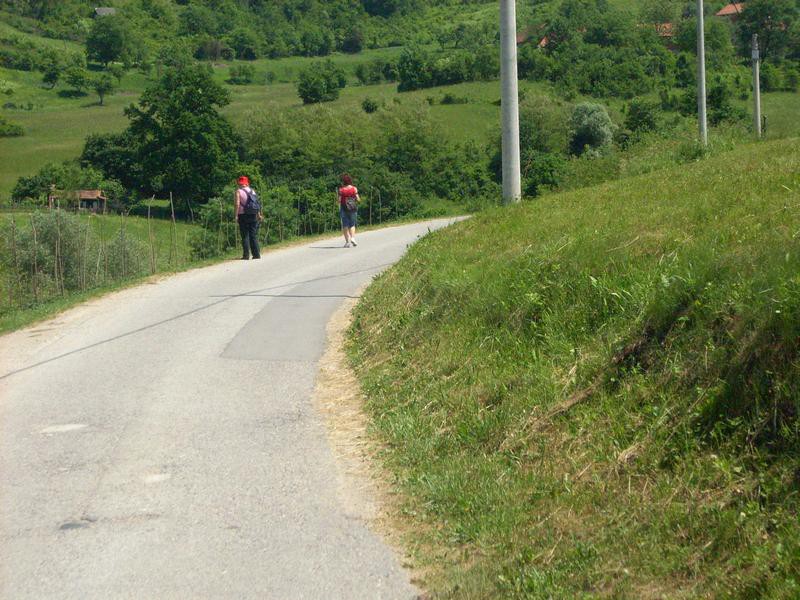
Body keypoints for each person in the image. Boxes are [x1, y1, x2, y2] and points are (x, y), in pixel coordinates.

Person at [234, 176, 261, 260]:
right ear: (247, 183)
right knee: (253, 235)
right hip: (253, 214)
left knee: (245, 235)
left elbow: (237, 204)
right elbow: (256, 204)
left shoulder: (238, 191)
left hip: (243, 215)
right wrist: (258, 214)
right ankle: (256, 254)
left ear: (239, 183)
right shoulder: (252, 191)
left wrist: (236, 215)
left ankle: (246, 255)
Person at [338, 173, 359, 248]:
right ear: (350, 180)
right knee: (352, 224)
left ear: (343, 181)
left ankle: (347, 242)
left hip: (344, 208)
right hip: (353, 208)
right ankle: (353, 238)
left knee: (345, 225)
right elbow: (358, 199)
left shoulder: (341, 190)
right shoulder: (354, 188)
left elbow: (339, 200)